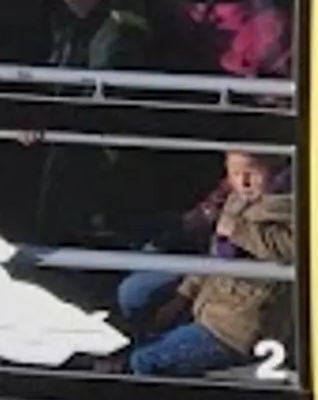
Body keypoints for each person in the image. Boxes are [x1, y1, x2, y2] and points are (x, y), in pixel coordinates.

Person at [124, 150, 295, 378]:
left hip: (239, 329)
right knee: (136, 300)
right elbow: (214, 259)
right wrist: (182, 296)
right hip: (210, 305)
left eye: (252, 174)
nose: (243, 182)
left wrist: (239, 230)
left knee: (145, 360)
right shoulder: (237, 200)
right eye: (234, 174)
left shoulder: (291, 207)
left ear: (276, 171)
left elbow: (293, 248)